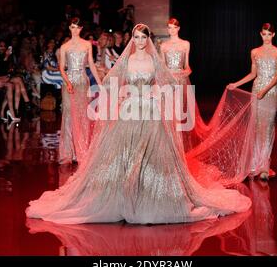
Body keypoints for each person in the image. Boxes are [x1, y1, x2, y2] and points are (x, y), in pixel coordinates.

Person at [26, 23, 251, 225]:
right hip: (130, 110)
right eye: (137, 37)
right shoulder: (128, 60)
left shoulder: (155, 60)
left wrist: (159, 94)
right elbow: (113, 80)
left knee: (152, 155)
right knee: (125, 153)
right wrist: (120, 96)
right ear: (133, 39)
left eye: (143, 37)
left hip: (151, 110)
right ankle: (125, 193)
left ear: (148, 39)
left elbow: (169, 82)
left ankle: (150, 193)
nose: (140, 41)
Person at [228, 23, 277, 181]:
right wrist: (236, 84)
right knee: (256, 126)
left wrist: (265, 90)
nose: (266, 37)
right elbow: (253, 74)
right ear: (261, 34)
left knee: (267, 127)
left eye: (269, 34)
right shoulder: (254, 52)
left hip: (270, 92)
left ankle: (264, 166)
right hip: (256, 89)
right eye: (264, 34)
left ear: (273, 35)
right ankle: (255, 164)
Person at [160, 17, 209, 151]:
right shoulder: (163, 46)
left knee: (178, 116)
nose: (171, 30)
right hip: (168, 83)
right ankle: (170, 148)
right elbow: (162, 67)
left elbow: (187, 66)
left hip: (181, 82)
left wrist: (186, 72)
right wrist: (167, 77)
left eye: (174, 27)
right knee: (168, 115)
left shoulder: (185, 44)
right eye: (169, 27)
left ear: (178, 28)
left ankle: (178, 149)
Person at [58, 17, 102, 165]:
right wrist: (68, 82)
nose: (74, 30)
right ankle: (67, 153)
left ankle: (81, 151)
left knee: (82, 115)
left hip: (83, 81)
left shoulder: (87, 44)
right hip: (69, 81)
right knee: (69, 115)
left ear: (81, 28)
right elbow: (62, 68)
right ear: (69, 28)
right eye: (72, 27)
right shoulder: (64, 47)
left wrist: (100, 83)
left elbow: (91, 64)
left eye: (77, 27)